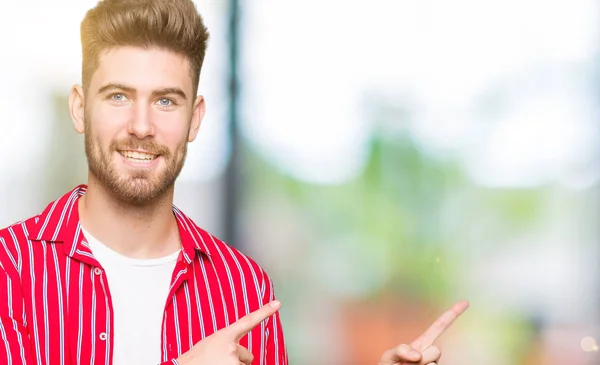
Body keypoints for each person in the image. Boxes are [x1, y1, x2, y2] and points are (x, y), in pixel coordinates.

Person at [0, 0, 468, 364]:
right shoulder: (12, 269)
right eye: (119, 96)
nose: (141, 125)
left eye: (166, 101)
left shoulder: (243, 289)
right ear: (80, 107)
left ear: (196, 118)